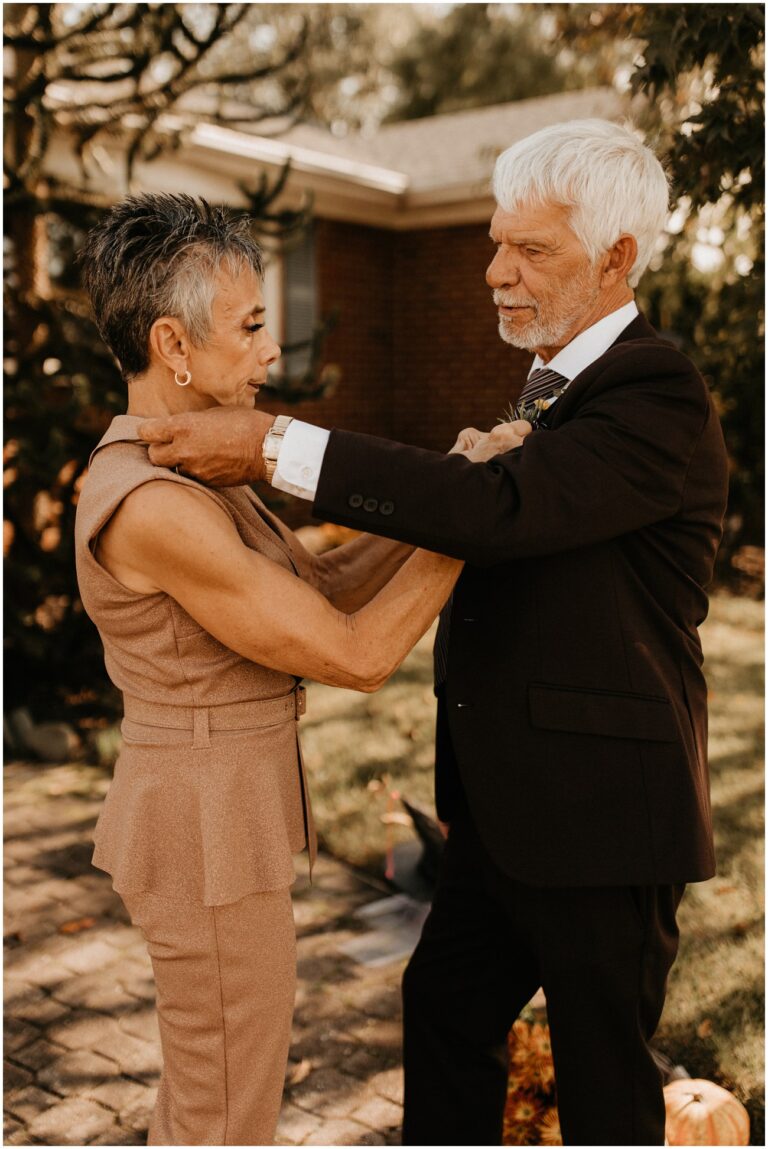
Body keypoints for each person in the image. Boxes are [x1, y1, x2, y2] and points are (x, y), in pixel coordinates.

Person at [140, 120, 730, 1146]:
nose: (496, 271)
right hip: (503, 815)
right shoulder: (554, 386)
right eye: (496, 242)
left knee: (607, 1096)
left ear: (617, 259)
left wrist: (273, 443)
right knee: (446, 1011)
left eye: (531, 251)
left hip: (601, 822)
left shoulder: (655, 394)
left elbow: (492, 511)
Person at [74, 192, 528, 1146]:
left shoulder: (190, 469)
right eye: (248, 326)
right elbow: (357, 653)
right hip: (198, 828)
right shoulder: (152, 505)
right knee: (228, 1111)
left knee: (209, 1092)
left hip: (220, 811)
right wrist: (477, 512)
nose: (270, 350)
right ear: (174, 345)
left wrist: (447, 478)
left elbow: (323, 582)